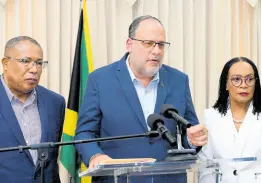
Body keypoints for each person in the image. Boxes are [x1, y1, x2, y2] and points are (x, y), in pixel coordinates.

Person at [75, 15, 208, 183]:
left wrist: (193, 139)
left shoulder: (179, 80)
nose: (157, 51)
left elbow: (188, 131)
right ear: (129, 44)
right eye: (148, 43)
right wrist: (96, 155)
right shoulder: (100, 80)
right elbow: (85, 133)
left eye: (161, 45)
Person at [0, 36, 65, 183]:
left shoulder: (55, 102)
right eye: (25, 61)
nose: (34, 69)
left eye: (39, 63)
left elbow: (52, 161)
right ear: (6, 63)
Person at [198, 57, 261, 183]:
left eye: (249, 79)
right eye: (236, 79)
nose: (244, 85)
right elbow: (206, 166)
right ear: (226, 84)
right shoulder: (211, 116)